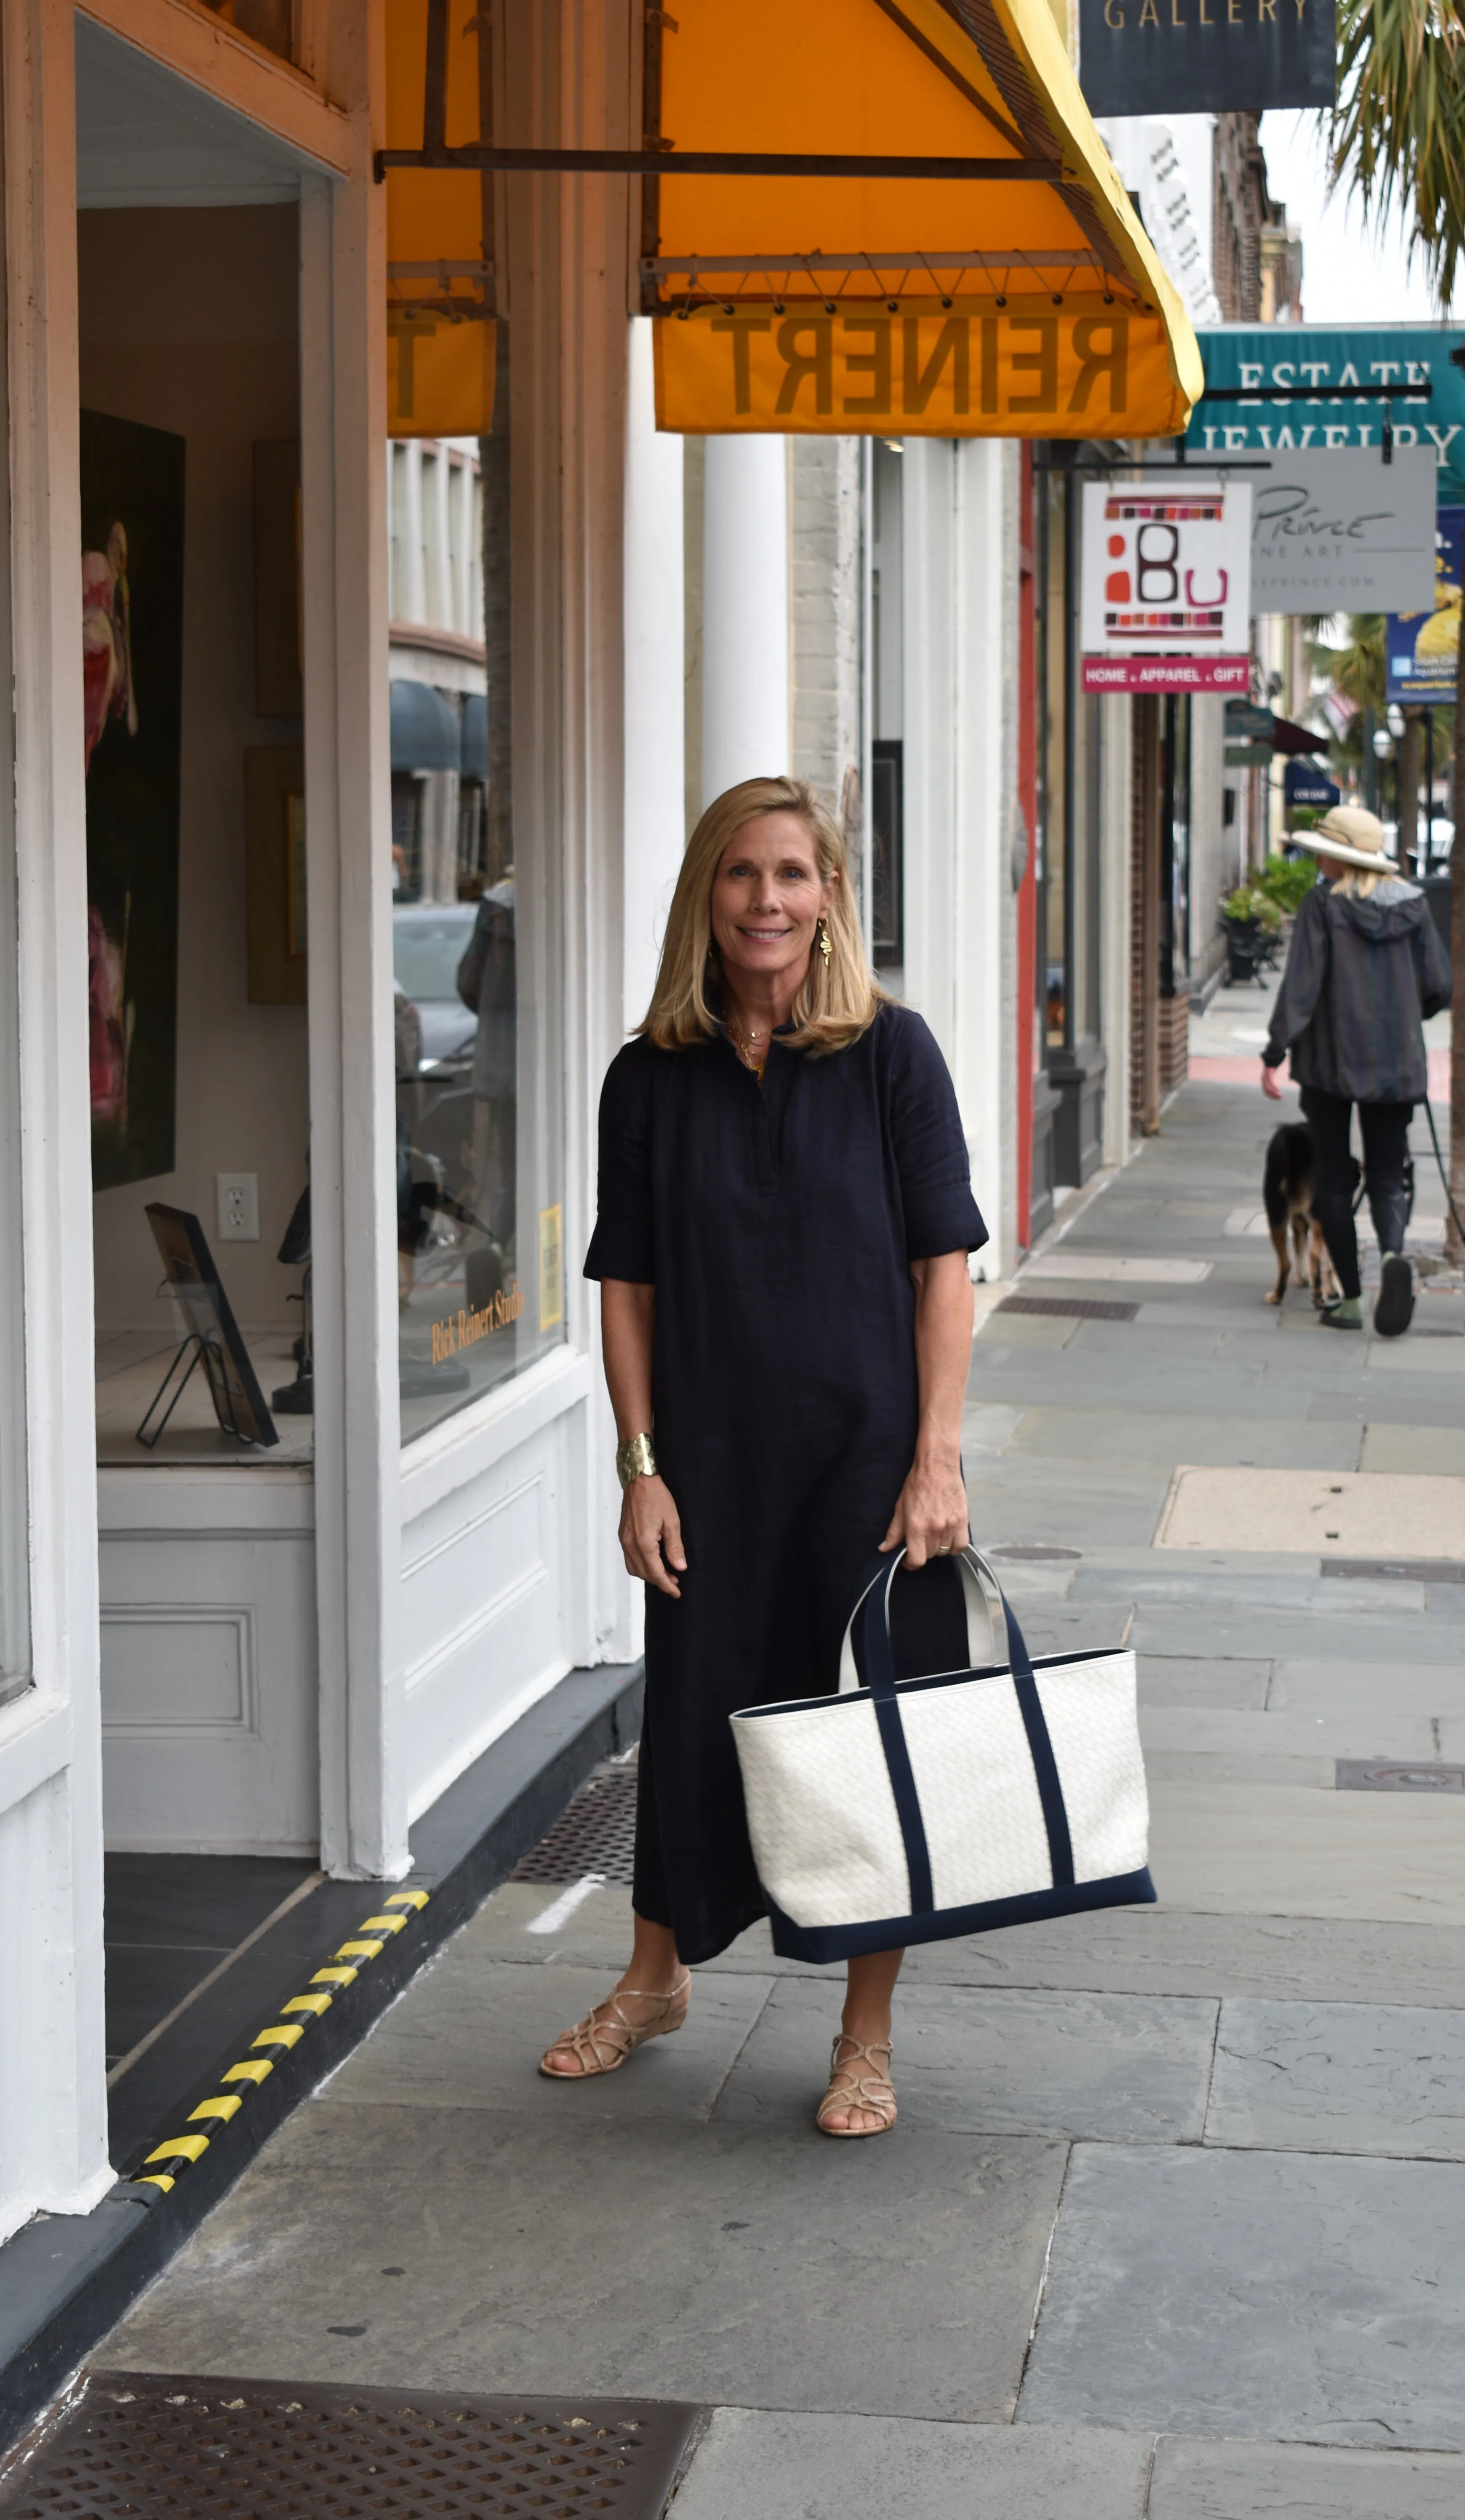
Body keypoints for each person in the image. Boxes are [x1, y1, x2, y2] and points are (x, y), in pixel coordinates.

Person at [540, 776, 987, 2137]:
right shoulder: (648, 1077)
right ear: (707, 898)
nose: (768, 901)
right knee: (690, 1723)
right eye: (742, 875)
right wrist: (640, 1465)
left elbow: (942, 1267)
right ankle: (654, 1980)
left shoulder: (893, 1057)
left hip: (868, 1472)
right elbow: (626, 1286)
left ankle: (865, 2037)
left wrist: (939, 1457)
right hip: (714, 1474)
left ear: (830, 896)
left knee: (873, 1743)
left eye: (793, 874)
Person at [1261, 804, 1452, 1336]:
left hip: (1329, 1066)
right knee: (1390, 1175)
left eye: (1322, 848)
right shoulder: (1413, 906)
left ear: (1338, 857)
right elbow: (1438, 985)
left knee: (1333, 1177)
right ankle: (1392, 1254)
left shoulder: (1323, 906)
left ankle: (1348, 1299)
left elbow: (1300, 988)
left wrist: (1275, 1051)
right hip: (1396, 1066)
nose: (1316, 856)